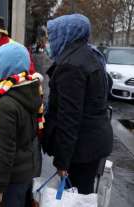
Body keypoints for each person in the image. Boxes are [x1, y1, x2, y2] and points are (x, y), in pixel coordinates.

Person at [43, 14, 113, 194]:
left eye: (52, 35)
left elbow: (69, 119)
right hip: (93, 143)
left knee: (76, 196)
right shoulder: (91, 54)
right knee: (83, 194)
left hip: (81, 149)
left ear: (67, 33)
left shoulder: (71, 65)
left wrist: (62, 162)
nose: (49, 41)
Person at [0, 43, 43, 207]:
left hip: (10, 180)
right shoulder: (30, 89)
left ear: (1, 68)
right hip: (23, 172)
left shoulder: (5, 104)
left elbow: (5, 151)